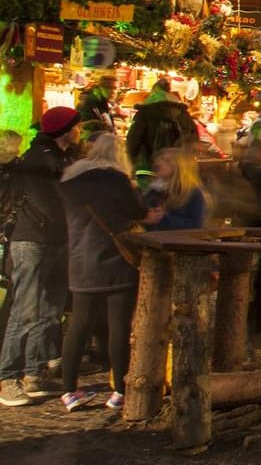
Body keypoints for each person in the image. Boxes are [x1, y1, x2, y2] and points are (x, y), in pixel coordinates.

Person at [0, 106, 82, 407]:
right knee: (26, 309)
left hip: (56, 240)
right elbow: (49, 202)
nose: (80, 131)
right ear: (64, 130)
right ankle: (8, 377)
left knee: (50, 310)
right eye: (77, 126)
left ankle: (33, 374)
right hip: (32, 240)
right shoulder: (37, 160)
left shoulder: (63, 157)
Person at [56, 132, 144, 411]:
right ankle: (119, 390)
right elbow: (137, 210)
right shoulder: (117, 180)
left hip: (81, 261)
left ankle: (69, 391)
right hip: (115, 259)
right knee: (118, 326)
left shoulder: (69, 179)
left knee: (78, 326)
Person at [124, 81, 196, 176]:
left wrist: (132, 163)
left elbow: (133, 141)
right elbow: (193, 141)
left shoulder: (145, 112)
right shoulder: (183, 114)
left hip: (150, 168)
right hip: (179, 169)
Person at [143, 148, 209, 231]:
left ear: (179, 167)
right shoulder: (154, 190)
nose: (158, 164)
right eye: (160, 159)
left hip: (178, 242)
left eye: (167, 161)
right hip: (152, 240)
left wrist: (163, 218)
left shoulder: (191, 192)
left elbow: (195, 224)